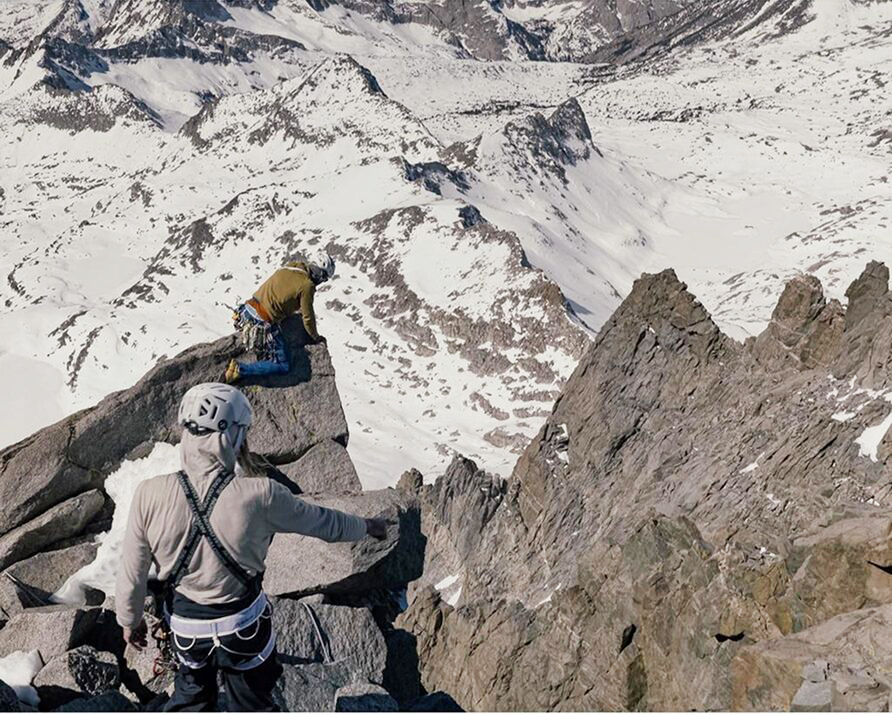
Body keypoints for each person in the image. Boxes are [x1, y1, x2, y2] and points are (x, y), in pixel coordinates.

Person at [115, 382, 387, 712]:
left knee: (192, 694)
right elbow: (324, 524)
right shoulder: (261, 495)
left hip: (187, 631)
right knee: (252, 702)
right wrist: (366, 526)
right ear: (228, 436)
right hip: (244, 628)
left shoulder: (149, 493)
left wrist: (130, 622)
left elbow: (132, 570)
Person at [225, 253, 335, 384]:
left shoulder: (289, 267)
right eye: (324, 277)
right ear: (319, 273)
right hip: (261, 320)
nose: (322, 281)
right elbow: (308, 317)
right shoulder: (307, 285)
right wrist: (315, 337)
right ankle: (239, 369)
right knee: (283, 365)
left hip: (247, 310)